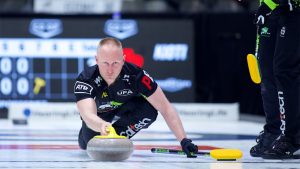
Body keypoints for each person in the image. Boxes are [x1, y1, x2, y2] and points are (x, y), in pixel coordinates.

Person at [74, 37, 198, 157]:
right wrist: (103, 126)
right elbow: (88, 115)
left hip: (127, 106)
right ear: (96, 60)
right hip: (100, 114)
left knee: (149, 111)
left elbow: (165, 107)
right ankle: (90, 136)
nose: (110, 70)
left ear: (123, 60)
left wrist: (184, 140)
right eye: (105, 63)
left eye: (115, 63)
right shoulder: (86, 79)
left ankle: (117, 135)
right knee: (88, 144)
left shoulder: (137, 76)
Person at [250, 0, 300, 159]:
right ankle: (274, 131)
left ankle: (293, 137)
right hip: (273, 9)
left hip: (290, 8)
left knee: (284, 71)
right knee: (267, 71)